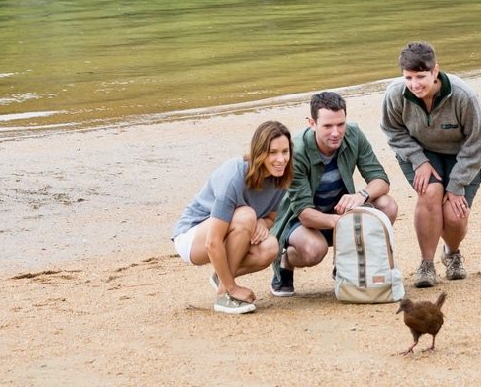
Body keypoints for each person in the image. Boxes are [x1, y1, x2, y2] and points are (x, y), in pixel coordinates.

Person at [268, 91, 397, 297]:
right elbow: (304, 213)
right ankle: (286, 263)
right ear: (312, 123)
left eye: (340, 124)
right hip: (300, 220)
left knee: (386, 205)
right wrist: (346, 223)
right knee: (313, 251)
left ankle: (346, 265)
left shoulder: (354, 134)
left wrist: (361, 195)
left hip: (339, 210)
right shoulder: (296, 152)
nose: (336, 132)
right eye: (327, 126)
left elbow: (380, 179)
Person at [380, 41, 481, 289]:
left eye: (421, 76)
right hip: (420, 152)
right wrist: (419, 161)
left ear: (435, 71)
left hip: (461, 155)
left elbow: (477, 142)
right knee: (430, 192)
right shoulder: (395, 94)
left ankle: (452, 253)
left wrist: (457, 184)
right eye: (408, 77)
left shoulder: (464, 96)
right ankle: (426, 264)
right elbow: (392, 130)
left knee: (454, 214)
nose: (415, 84)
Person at [170, 120, 294, 314]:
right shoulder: (235, 176)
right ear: (259, 152)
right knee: (246, 215)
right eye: (272, 152)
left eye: (285, 151)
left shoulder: (281, 177)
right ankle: (225, 292)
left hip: (228, 232)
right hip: (193, 237)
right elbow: (212, 242)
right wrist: (233, 287)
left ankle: (222, 278)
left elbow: (271, 218)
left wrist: (263, 222)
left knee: (270, 247)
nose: (280, 159)